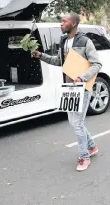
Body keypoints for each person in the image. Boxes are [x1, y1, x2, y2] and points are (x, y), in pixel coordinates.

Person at [32, 13, 102, 171]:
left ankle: (84, 157)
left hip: (82, 88)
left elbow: (96, 64)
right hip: (69, 88)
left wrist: (82, 78)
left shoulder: (85, 41)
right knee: (74, 122)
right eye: (61, 20)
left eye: (64, 21)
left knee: (77, 123)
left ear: (74, 23)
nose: (61, 23)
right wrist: (41, 55)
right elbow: (58, 61)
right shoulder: (64, 41)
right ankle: (92, 146)